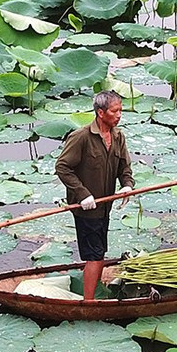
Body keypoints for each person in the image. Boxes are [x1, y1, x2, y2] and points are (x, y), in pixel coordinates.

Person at [55, 90, 134, 298]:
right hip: (87, 208)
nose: (119, 115)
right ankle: (88, 303)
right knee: (95, 255)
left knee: (99, 252)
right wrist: (82, 194)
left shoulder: (118, 136)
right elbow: (62, 167)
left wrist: (127, 185)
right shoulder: (81, 137)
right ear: (100, 112)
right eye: (114, 111)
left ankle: (93, 292)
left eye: (120, 110)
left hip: (105, 206)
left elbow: (124, 167)